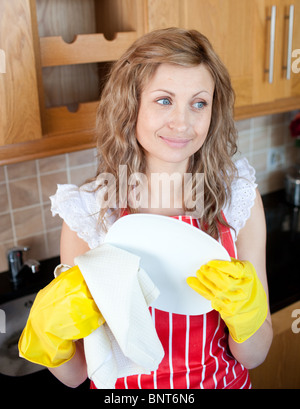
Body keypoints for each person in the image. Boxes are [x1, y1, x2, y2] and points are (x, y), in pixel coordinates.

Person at [19, 28, 273, 389]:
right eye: (164, 100)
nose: (183, 123)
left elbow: (255, 355)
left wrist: (248, 315)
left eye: (198, 103)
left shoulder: (237, 200)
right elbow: (77, 375)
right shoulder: (92, 212)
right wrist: (49, 336)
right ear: (131, 103)